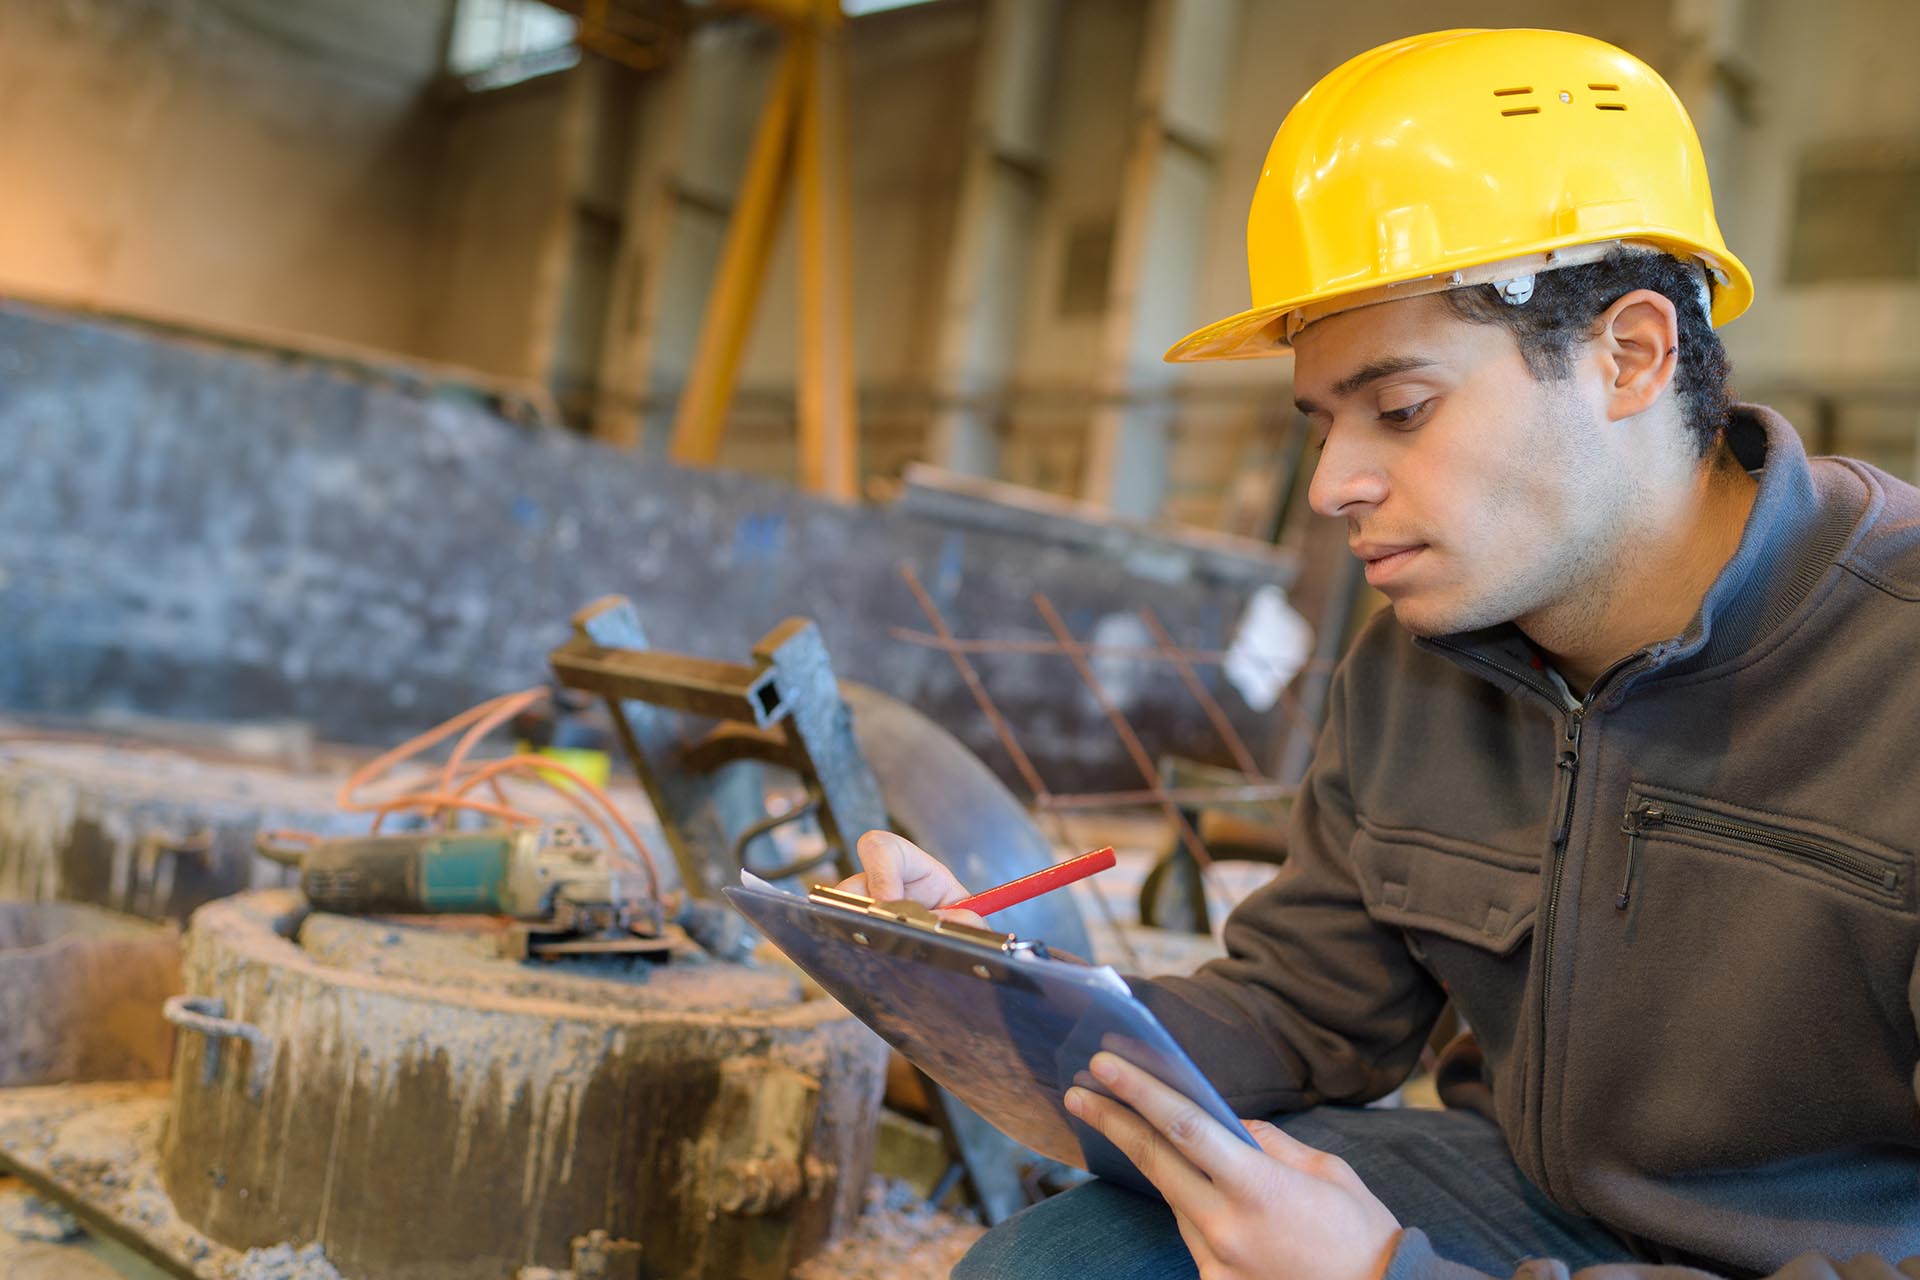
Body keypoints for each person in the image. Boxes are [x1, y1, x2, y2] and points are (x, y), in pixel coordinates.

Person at [839, 27, 1920, 1280]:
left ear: (1630, 355)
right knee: (1062, 1263)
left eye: (1402, 411)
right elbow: (1303, 1011)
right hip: (1531, 1202)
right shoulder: (1426, 649)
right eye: (1324, 422)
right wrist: (995, 989)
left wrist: (1383, 1274)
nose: (1335, 486)